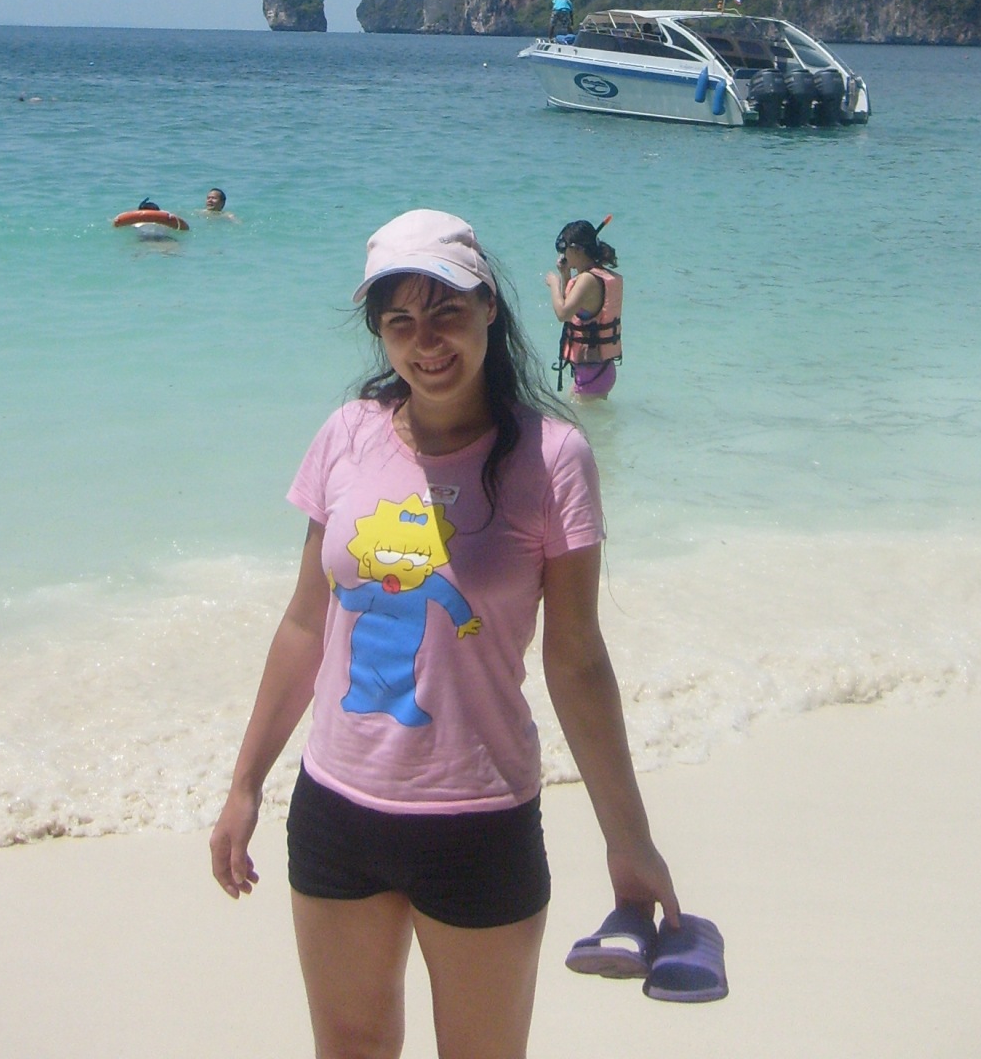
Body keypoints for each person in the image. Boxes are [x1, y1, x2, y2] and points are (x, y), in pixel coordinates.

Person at [209, 209, 676, 1059]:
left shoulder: (553, 457)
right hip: (336, 810)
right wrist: (245, 784)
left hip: (480, 821)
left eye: (446, 313)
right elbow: (305, 622)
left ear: (489, 306)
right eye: (400, 322)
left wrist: (629, 839)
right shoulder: (348, 434)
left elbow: (576, 660)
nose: (425, 342)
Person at [545, 220, 623, 401]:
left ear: (577, 250)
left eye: (564, 249)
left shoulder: (587, 280)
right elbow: (572, 309)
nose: (563, 254)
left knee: (581, 417)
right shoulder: (593, 276)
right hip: (597, 369)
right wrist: (565, 275)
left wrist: (554, 284)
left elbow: (563, 313)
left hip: (593, 373)